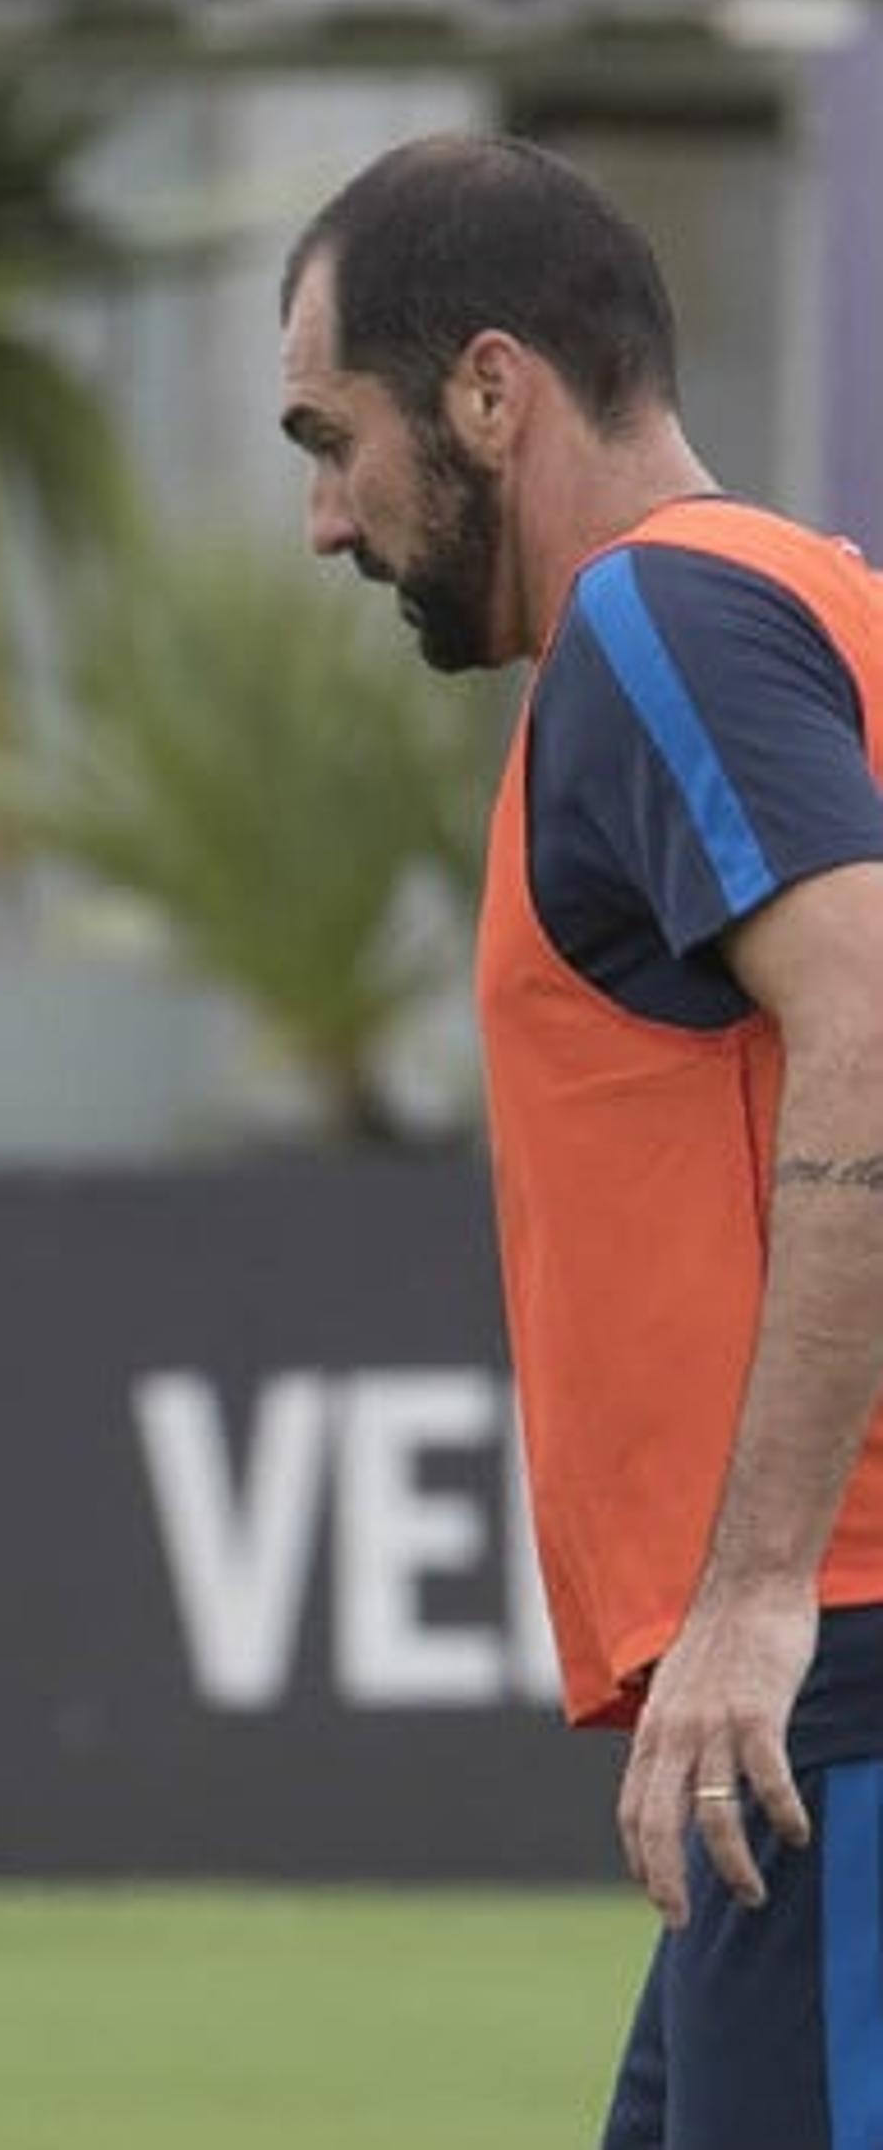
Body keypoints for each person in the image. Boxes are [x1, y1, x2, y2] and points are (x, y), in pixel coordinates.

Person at [278, 133, 883, 2146]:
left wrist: (762, 1588)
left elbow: (871, 1019)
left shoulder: (661, 621)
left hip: (846, 1676)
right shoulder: (811, 603)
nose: (322, 518)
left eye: (329, 433)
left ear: (486, 388)